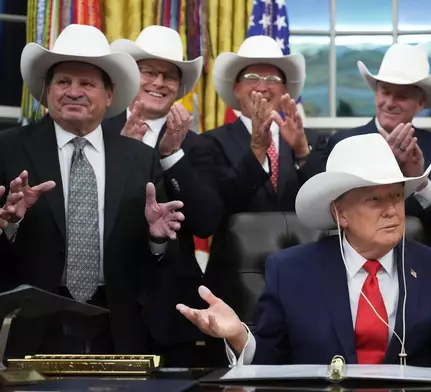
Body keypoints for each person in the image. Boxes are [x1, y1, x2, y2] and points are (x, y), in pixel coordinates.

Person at [177, 133, 431, 368]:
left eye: (397, 196)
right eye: (375, 200)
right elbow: (272, 360)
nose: (393, 210)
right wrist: (238, 336)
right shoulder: (292, 270)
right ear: (340, 213)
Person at [0, 24, 184, 356]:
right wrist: (9, 225)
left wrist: (155, 239)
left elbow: (154, 263)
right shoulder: (8, 149)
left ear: (109, 94)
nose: (74, 91)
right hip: (32, 321)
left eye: (87, 83)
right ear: (47, 89)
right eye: (63, 82)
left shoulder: (139, 158)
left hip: (118, 324)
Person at [107, 25, 225, 367]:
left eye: (169, 76)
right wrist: (123, 154)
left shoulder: (198, 145)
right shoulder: (100, 131)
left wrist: (172, 155)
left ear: (179, 88)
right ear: (131, 76)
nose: (159, 83)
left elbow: (206, 221)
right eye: (149, 72)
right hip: (107, 305)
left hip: (172, 311)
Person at [196, 35, 325, 331]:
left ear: (284, 91)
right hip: (234, 286)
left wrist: (304, 153)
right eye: (252, 77)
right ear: (236, 88)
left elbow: (327, 207)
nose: (262, 86)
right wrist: (256, 150)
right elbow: (216, 210)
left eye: (272, 79)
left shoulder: (310, 141)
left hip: (304, 281)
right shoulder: (210, 142)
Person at [325, 43, 431, 251]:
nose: (389, 102)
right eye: (384, 92)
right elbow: (330, 214)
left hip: (421, 267)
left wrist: (420, 181)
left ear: (420, 103)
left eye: (401, 96)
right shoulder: (344, 144)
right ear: (375, 93)